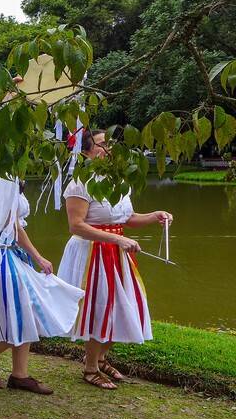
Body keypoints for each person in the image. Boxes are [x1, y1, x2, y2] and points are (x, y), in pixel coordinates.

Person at [57, 129, 173, 390]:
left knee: (125, 306)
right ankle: (90, 368)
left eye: (110, 143)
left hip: (116, 252)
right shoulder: (79, 183)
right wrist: (118, 240)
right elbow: (76, 226)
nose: (109, 149)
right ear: (86, 152)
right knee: (100, 308)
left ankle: (101, 358)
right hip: (92, 253)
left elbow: (126, 219)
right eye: (101, 145)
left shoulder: (118, 181)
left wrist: (155, 216)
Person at [0, 181, 83, 395]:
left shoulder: (10, 175)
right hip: (1, 255)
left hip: (12, 252)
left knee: (27, 309)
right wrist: (38, 256)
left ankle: (20, 374)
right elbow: (12, 226)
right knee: (23, 311)